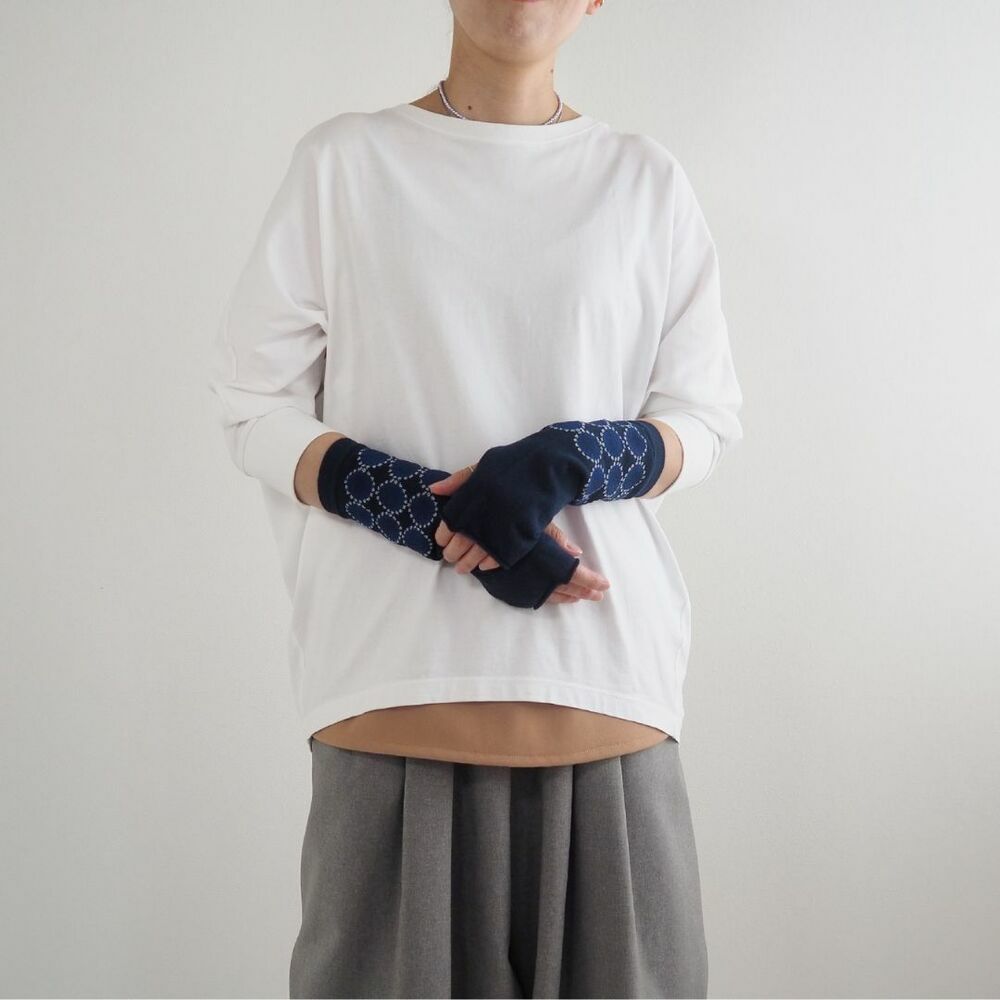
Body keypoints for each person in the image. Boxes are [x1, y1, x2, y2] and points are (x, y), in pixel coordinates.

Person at [208, 1, 744, 996]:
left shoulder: (645, 181)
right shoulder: (345, 165)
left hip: (605, 686)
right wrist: (427, 512)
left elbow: (704, 418)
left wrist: (573, 458)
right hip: (393, 687)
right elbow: (251, 404)